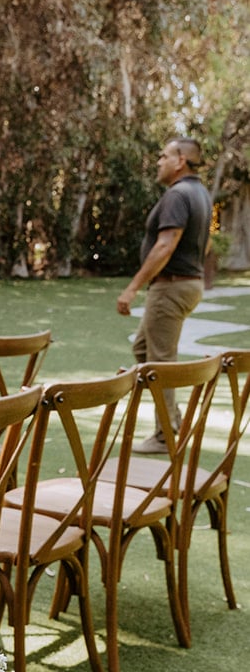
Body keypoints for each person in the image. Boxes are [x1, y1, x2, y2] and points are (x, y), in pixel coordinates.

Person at [116, 136, 212, 453]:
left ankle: (165, 436)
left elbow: (165, 244)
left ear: (180, 161)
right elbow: (206, 242)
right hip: (187, 283)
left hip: (171, 286)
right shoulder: (200, 193)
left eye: (164, 156)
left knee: (160, 362)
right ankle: (173, 420)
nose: (159, 162)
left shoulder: (177, 195)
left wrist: (132, 288)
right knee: (144, 349)